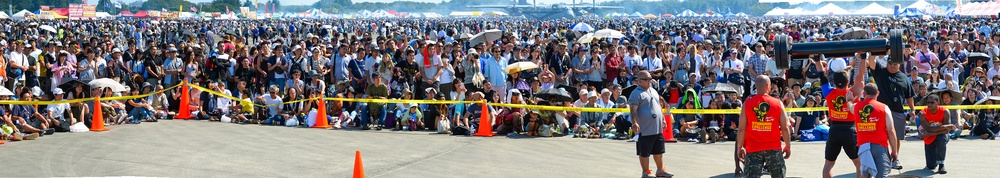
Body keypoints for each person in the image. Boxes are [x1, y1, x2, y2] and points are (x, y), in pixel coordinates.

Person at [863, 51, 915, 170]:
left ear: (899, 64)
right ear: (887, 62)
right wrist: (875, 50)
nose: (892, 65)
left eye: (895, 63)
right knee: (878, 136)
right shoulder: (880, 72)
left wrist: (912, 109)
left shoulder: (904, 78)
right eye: (890, 63)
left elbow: (909, 96)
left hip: (897, 111)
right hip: (880, 111)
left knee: (895, 137)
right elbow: (871, 61)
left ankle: (895, 159)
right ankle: (878, 160)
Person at [736, 75, 791, 178]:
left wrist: (740, 147)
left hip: (753, 148)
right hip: (773, 148)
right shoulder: (778, 103)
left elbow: (741, 129)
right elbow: (784, 127)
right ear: (767, 86)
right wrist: (788, 146)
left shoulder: (747, 104)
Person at [628, 70, 673, 178]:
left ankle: (660, 170)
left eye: (650, 79)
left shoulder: (653, 91)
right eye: (646, 79)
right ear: (639, 81)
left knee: (659, 150)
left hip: (657, 128)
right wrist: (634, 123)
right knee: (644, 152)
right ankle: (646, 171)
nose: (649, 81)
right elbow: (633, 110)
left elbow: (658, 106)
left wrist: (662, 119)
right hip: (644, 128)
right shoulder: (636, 93)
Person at [853, 83, 900, 178]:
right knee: (882, 174)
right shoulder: (884, 108)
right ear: (878, 93)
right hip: (880, 146)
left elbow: (849, 105)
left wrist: (849, 100)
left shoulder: (856, 107)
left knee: (865, 174)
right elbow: (891, 130)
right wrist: (894, 151)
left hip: (863, 146)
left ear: (863, 94)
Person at [822, 71, 861, 178]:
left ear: (834, 82)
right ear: (847, 82)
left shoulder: (828, 92)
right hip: (850, 130)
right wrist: (862, 58)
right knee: (859, 163)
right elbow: (860, 77)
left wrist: (817, 61)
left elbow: (822, 76)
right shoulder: (852, 92)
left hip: (834, 130)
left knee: (828, 164)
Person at [919, 94, 953, 174]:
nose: (929, 104)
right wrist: (944, 127)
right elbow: (928, 129)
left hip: (939, 136)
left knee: (941, 138)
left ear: (938, 102)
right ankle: (935, 160)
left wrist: (929, 134)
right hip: (929, 139)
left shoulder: (945, 112)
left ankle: (941, 164)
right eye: (928, 103)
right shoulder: (922, 113)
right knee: (931, 166)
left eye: (932, 102)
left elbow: (946, 132)